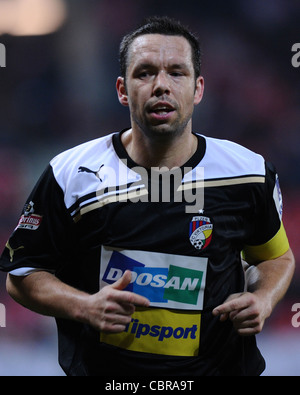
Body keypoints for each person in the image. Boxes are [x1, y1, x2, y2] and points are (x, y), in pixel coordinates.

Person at [0, 16, 295, 376]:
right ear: (122, 90)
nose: (161, 86)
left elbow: (276, 259)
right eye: (145, 73)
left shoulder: (247, 173)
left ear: (198, 89)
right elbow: (22, 275)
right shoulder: (70, 173)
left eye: (176, 73)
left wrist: (262, 299)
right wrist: (85, 306)